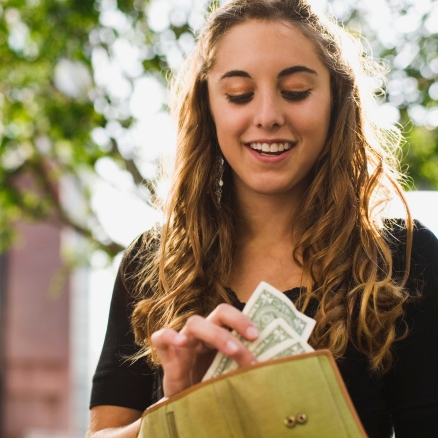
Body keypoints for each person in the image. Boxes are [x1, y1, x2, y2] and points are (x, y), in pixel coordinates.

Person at [87, 1, 438, 437]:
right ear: (208, 105)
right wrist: (177, 411)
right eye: (239, 95)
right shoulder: (152, 263)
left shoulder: (406, 258)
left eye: (295, 91)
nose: (268, 116)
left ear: (336, 101)